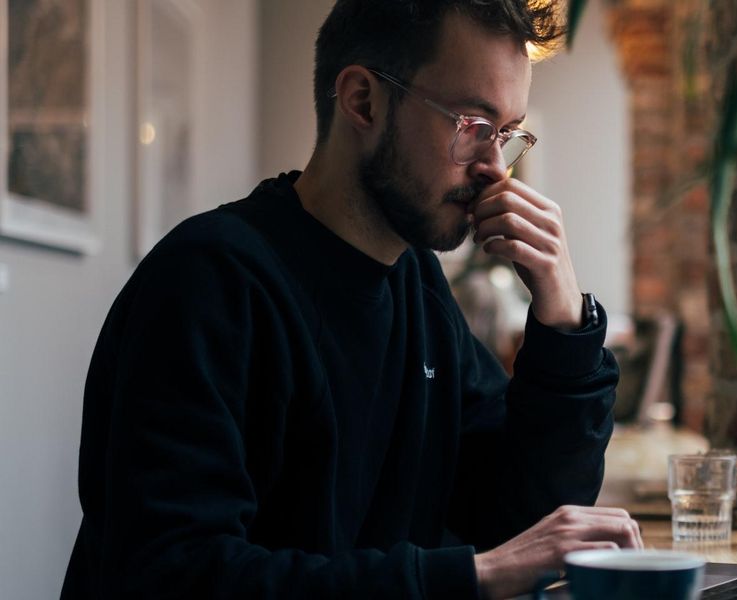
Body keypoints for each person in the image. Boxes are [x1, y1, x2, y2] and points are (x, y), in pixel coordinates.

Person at [62, 1, 642, 597]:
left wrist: (564, 316)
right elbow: (178, 575)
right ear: (363, 100)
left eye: (507, 134)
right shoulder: (209, 281)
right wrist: (469, 576)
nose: (497, 170)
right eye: (473, 126)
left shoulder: (417, 286)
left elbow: (521, 517)